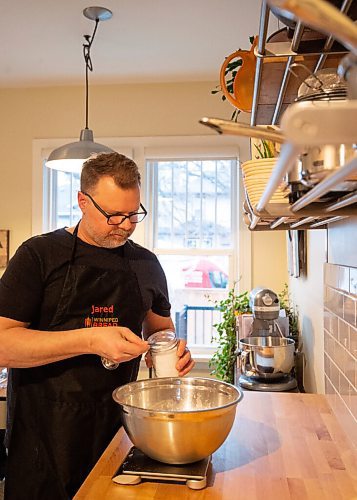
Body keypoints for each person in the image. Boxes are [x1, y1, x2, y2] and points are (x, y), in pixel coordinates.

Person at [0, 152, 195, 499]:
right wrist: (91, 340)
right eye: (113, 215)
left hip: (117, 430)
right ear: (82, 201)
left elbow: (159, 328)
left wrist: (168, 350)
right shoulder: (38, 256)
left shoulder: (146, 263)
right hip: (42, 437)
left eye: (133, 214)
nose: (124, 225)